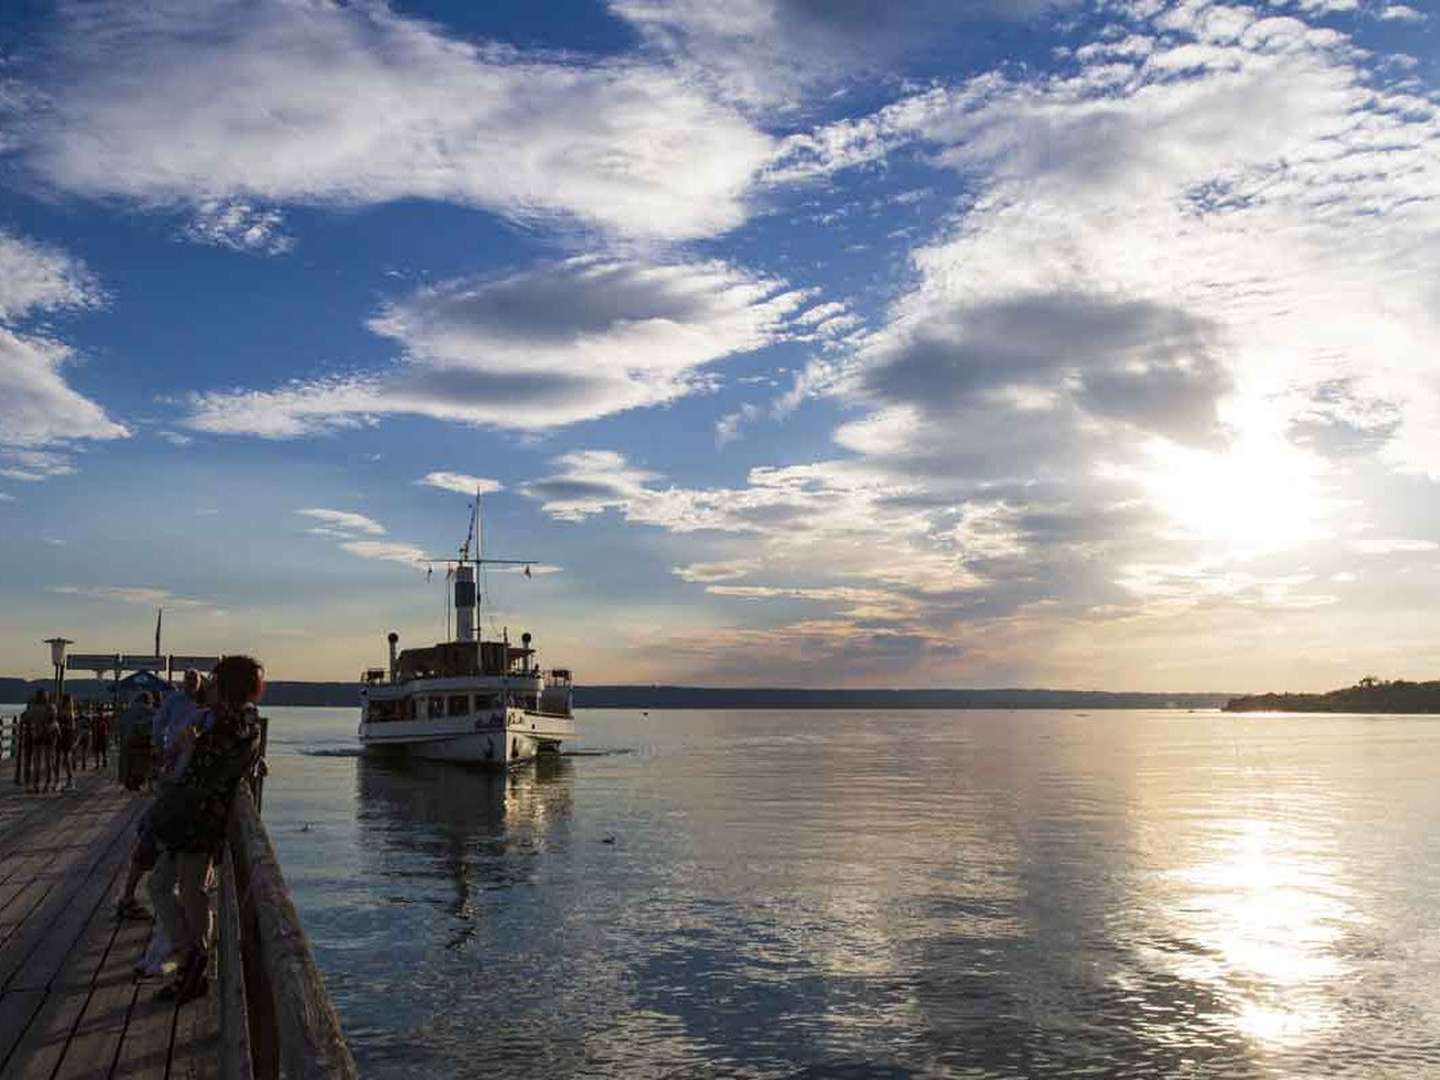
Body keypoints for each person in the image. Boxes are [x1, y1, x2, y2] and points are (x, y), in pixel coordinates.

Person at [149, 656, 265, 1003]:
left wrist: (189, 746)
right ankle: (192, 957)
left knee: (191, 892)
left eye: (215, 682)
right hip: (186, 818)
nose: (209, 686)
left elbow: (210, 767)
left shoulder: (238, 723)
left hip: (199, 822)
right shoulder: (225, 722)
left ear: (226, 686)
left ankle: (194, 967)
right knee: (161, 886)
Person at [56, 694, 76, 790]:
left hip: (66, 737)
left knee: (66, 759)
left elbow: (71, 727)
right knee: (63, 759)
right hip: (65, 737)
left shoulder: (68, 713)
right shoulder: (68, 712)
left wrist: (63, 726)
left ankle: (70, 781)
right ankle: (67, 780)